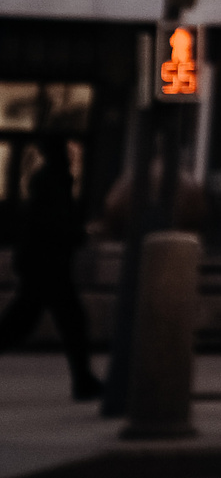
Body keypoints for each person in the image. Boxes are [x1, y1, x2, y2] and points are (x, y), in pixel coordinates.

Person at [0, 133, 103, 401]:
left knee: (25, 323)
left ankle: (84, 380)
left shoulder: (50, 180)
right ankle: (83, 381)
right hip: (48, 267)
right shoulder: (52, 182)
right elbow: (53, 225)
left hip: (45, 266)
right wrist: (78, 234)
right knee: (62, 322)